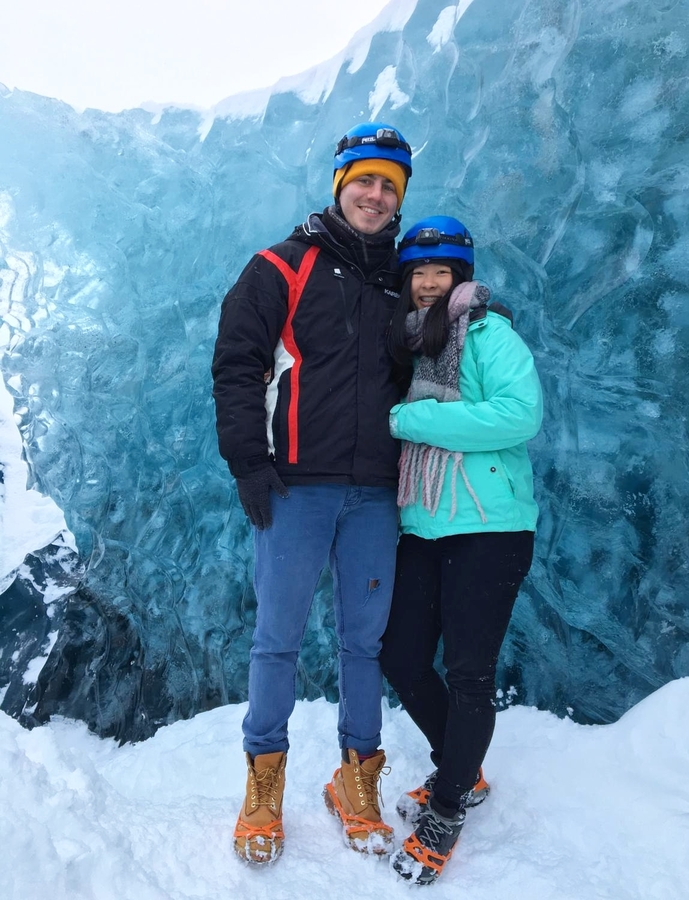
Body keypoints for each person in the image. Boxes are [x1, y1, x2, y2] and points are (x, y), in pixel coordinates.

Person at [211, 123, 413, 864]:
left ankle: (355, 776)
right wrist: (250, 465)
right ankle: (264, 783)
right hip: (295, 488)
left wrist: (476, 311)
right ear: (340, 184)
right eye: (365, 180)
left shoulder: (403, 278)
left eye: (389, 186)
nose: (375, 195)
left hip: (374, 494)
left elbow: (441, 344)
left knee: (365, 642)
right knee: (279, 641)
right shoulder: (279, 267)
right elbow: (236, 364)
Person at [379, 216, 543, 885]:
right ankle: (463, 772)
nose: (426, 283)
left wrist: (410, 418)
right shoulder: (412, 346)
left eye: (439, 272)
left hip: (491, 526)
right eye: (417, 272)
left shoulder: (489, 332)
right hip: (424, 525)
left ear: (461, 277)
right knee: (403, 657)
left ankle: (448, 807)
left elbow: (518, 414)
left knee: (471, 673)